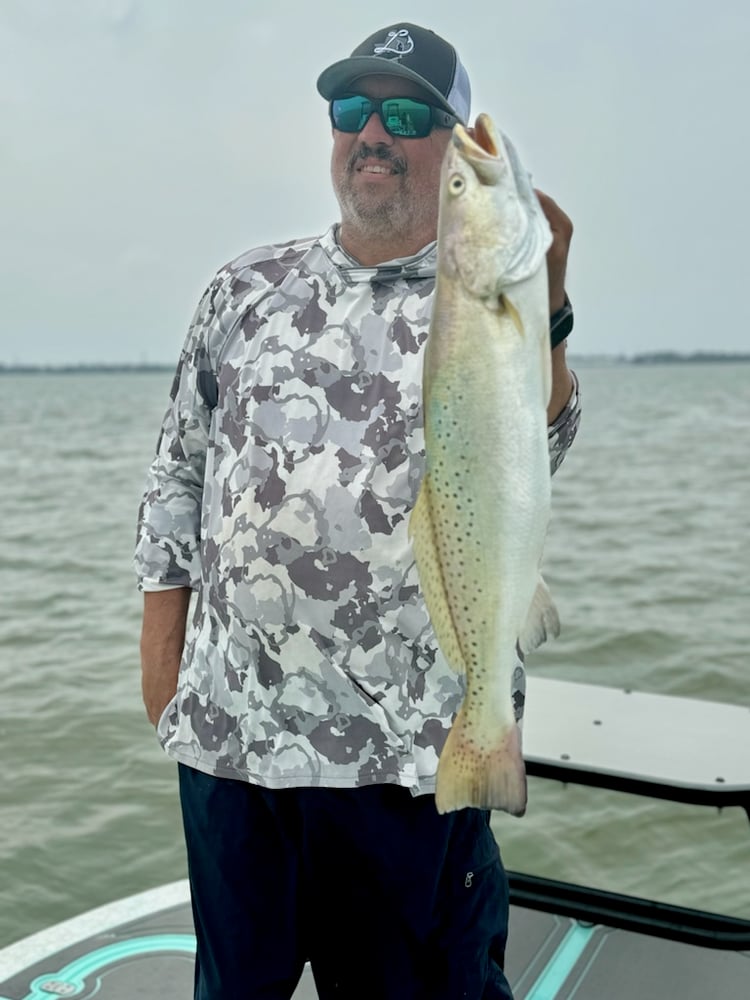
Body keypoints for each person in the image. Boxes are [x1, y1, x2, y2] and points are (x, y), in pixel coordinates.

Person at [135, 21, 581, 1000]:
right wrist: (163, 670)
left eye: (411, 113)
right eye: (354, 109)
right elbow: (176, 473)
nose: (374, 131)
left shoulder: (489, 294)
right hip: (233, 752)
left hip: (410, 762)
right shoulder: (243, 289)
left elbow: (541, 442)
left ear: (451, 140)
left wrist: (544, 298)